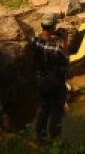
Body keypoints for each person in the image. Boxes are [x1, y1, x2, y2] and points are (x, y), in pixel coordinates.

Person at [28, 11, 71, 139]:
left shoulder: (33, 41)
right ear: (53, 27)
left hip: (41, 81)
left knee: (44, 109)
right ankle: (54, 140)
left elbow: (40, 42)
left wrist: (51, 35)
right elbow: (66, 60)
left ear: (42, 25)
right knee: (56, 113)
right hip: (56, 84)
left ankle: (40, 136)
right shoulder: (56, 49)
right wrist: (65, 40)